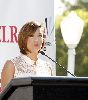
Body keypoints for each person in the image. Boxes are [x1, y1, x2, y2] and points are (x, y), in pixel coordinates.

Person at [1, 21, 53, 90]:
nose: (36, 40)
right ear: (24, 39)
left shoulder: (47, 67)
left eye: (40, 35)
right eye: (31, 36)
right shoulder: (11, 65)